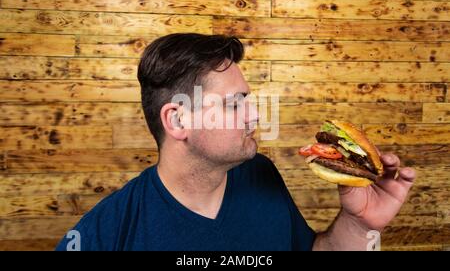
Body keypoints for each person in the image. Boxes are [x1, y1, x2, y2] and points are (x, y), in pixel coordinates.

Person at [55, 33, 415, 251]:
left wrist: (362, 225)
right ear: (178, 120)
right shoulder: (108, 232)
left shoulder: (260, 174)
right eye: (234, 104)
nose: (255, 116)